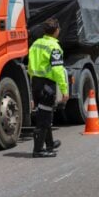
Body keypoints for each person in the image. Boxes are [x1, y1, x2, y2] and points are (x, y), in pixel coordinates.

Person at [28, 18, 69, 158]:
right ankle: (38, 150)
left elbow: (30, 67)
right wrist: (64, 90)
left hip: (36, 83)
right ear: (56, 31)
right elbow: (58, 70)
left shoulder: (36, 44)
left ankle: (50, 144)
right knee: (44, 118)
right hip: (47, 85)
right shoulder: (54, 47)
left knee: (45, 113)